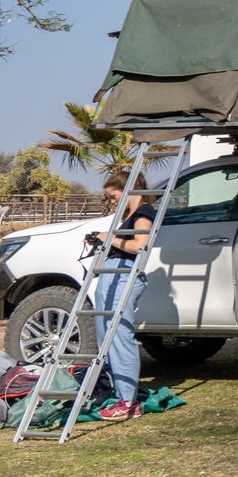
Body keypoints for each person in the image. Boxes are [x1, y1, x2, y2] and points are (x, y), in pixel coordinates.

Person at [92, 174, 156, 422]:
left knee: (119, 336)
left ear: (129, 190)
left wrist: (109, 238)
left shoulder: (143, 213)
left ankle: (128, 402)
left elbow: (140, 245)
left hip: (125, 276)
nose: (112, 202)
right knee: (106, 335)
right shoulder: (128, 215)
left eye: (114, 196)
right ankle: (116, 392)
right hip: (113, 275)